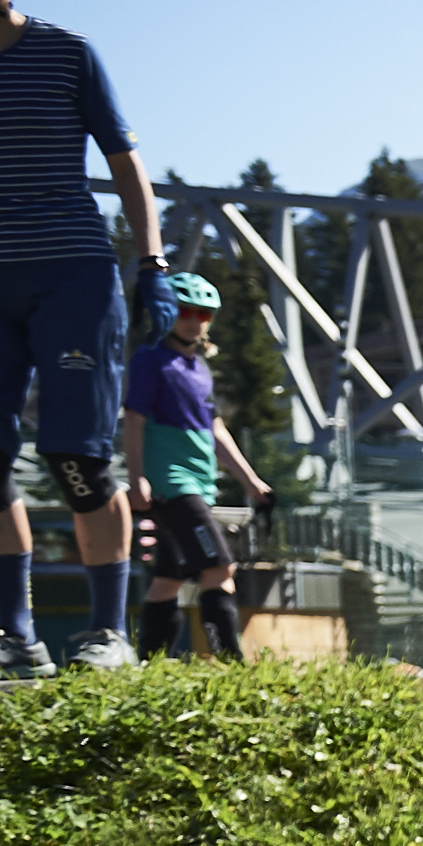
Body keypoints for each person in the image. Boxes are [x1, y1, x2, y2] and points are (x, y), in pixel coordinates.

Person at [0, 0, 175, 678]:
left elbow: (127, 165)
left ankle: (106, 635)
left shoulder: (68, 53)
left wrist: (152, 261)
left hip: (72, 279)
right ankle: (17, 640)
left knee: (77, 460)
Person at [121, 270, 271, 663]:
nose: (194, 321)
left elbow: (216, 430)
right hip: (173, 484)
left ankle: (149, 663)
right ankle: (231, 662)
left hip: (200, 483)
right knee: (220, 568)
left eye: (203, 314)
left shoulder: (199, 367)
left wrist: (252, 482)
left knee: (168, 578)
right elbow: (134, 419)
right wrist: (136, 478)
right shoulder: (151, 359)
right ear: (165, 312)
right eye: (184, 311)